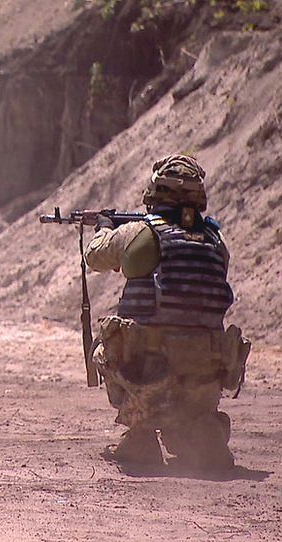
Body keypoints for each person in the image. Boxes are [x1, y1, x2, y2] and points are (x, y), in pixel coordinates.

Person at [84, 154, 250, 471]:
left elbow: (95, 256)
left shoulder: (143, 233)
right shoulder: (216, 240)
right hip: (206, 370)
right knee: (202, 428)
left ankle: (142, 435)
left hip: (150, 370)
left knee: (107, 344)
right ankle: (202, 433)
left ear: (155, 191)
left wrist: (104, 227)